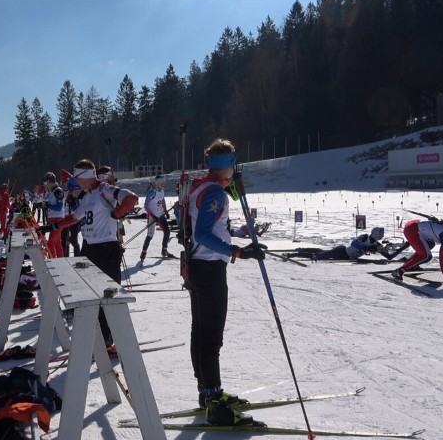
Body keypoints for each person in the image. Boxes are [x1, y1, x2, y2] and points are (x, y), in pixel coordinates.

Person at [186, 138, 265, 427]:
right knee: (211, 338)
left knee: (200, 332)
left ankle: (207, 393)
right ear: (229, 166)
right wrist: (238, 252)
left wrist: (232, 185)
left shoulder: (204, 185)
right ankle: (214, 402)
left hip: (197, 266)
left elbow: (211, 219)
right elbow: (203, 234)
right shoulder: (215, 194)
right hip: (209, 268)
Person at [57, 159, 138, 347]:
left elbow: (131, 199)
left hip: (107, 249)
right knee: (93, 294)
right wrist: (53, 226)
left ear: (83, 177)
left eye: (77, 178)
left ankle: (112, 336)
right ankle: (101, 335)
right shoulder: (87, 195)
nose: (75, 183)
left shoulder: (104, 189)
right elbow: (75, 217)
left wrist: (118, 213)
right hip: (91, 248)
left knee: (110, 297)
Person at [392, 219, 443, 284]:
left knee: (430, 245)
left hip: (416, 227)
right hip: (412, 229)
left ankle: (412, 265)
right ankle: (399, 271)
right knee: (426, 256)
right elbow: (442, 258)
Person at [284, 227, 405, 261]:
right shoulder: (366, 237)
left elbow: (389, 256)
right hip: (343, 251)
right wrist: (366, 247)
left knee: (320, 253)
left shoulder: (378, 245)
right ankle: (292, 254)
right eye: (381, 234)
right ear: (376, 233)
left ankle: (299, 251)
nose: (382, 236)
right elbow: (354, 242)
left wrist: (404, 248)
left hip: (346, 257)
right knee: (318, 255)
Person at [140, 175, 173, 262]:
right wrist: (152, 215)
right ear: (157, 183)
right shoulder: (151, 192)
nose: (163, 184)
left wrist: (165, 211)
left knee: (167, 232)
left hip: (160, 215)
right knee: (150, 235)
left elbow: (162, 200)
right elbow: (146, 206)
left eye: (163, 182)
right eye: (162, 182)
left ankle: (164, 250)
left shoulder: (162, 190)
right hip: (152, 216)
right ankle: (144, 251)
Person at [42, 172, 67, 258]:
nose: (45, 186)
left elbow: (59, 207)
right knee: (57, 244)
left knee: (50, 244)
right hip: (53, 219)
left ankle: (53, 263)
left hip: (58, 219)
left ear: (50, 182)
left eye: (46, 183)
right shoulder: (52, 191)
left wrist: (48, 205)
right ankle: (61, 262)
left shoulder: (58, 191)